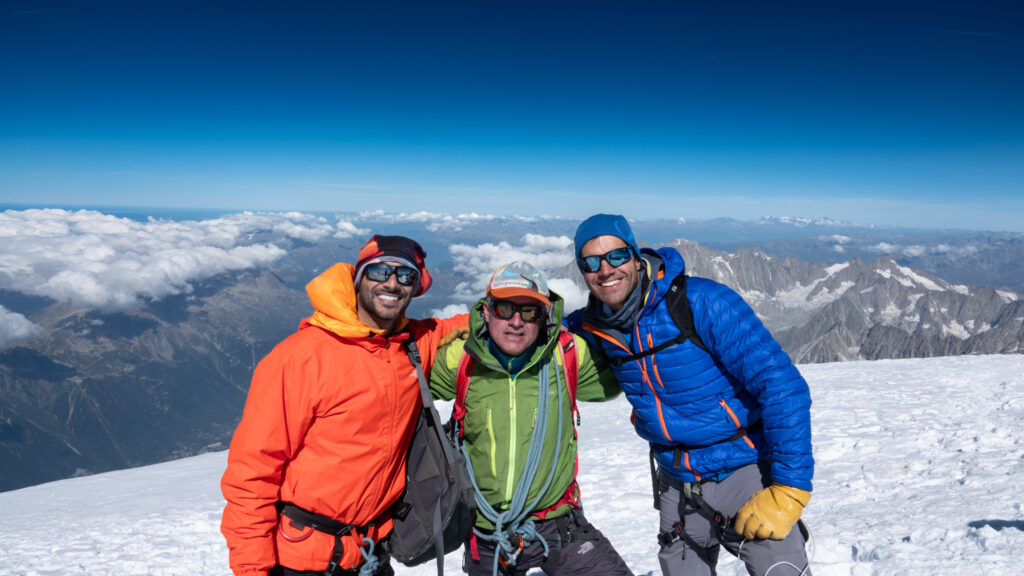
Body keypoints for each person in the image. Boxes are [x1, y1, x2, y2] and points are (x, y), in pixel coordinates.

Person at [564, 214, 814, 576]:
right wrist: (469, 324)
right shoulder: (593, 324)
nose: (605, 269)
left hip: (743, 466)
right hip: (676, 478)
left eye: (616, 256)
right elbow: (531, 326)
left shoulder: (702, 303)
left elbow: (783, 388)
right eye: (591, 262)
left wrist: (789, 489)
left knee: (781, 568)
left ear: (635, 256)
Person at [221, 235, 468, 576]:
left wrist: (514, 311)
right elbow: (252, 474)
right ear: (357, 279)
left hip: (371, 552)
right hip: (302, 560)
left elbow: (453, 326)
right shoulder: (300, 357)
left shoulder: (410, 344)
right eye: (380, 271)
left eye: (406, 276)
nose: (393, 284)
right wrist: (253, 570)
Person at [429, 261, 634, 576]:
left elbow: (629, 370)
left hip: (558, 524)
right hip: (486, 531)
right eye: (504, 308)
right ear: (486, 311)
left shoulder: (567, 354)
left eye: (529, 312)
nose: (515, 321)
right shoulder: (460, 359)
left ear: (544, 318)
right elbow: (396, 379)